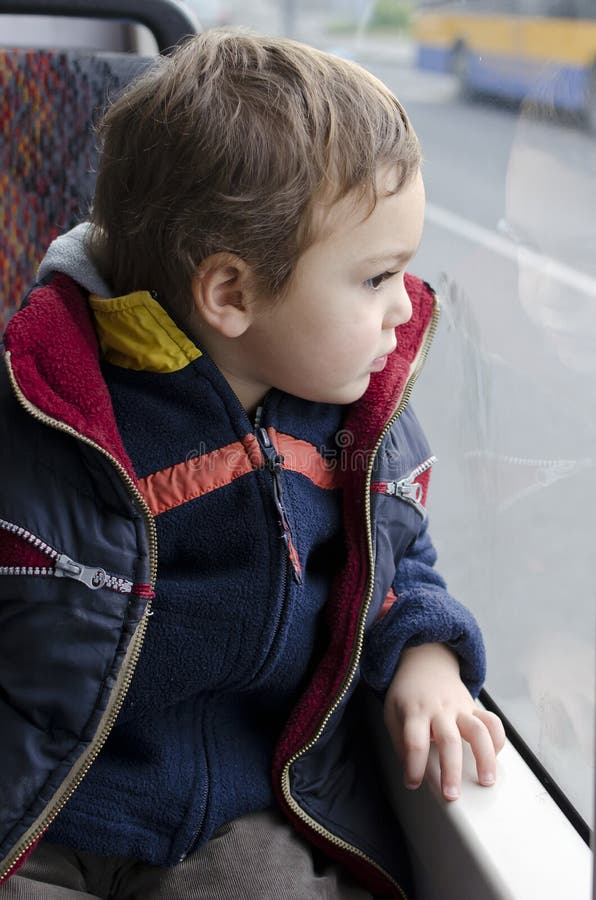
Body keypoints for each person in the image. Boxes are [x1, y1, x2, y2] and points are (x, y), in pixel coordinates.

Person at [0, 30, 504, 900]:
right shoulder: (47, 410)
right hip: (54, 801)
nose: (406, 312)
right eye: (378, 277)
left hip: (244, 808)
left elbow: (393, 556)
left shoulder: (354, 419)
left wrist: (425, 651)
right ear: (231, 294)